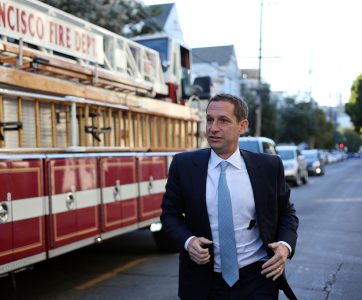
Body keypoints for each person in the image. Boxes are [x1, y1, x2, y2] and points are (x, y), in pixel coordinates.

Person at [161, 93, 298, 300]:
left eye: (223, 120)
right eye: (209, 120)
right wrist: (189, 242)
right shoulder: (184, 165)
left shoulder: (268, 167)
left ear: (242, 126)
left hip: (258, 278)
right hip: (203, 283)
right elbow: (169, 215)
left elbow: (287, 213)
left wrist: (285, 247)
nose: (213, 128)